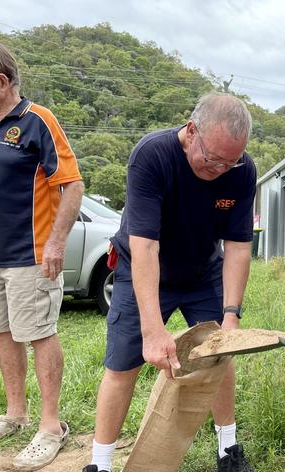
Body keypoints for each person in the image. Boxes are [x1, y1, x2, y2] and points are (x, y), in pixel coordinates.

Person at [83, 93, 256, 472]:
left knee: (219, 355)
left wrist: (231, 314)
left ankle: (228, 450)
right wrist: (153, 330)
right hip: (142, 267)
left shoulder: (241, 170)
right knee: (122, 364)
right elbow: (145, 247)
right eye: (213, 160)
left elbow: (239, 246)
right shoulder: (153, 155)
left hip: (202, 270)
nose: (222, 170)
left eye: (232, 162)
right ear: (192, 132)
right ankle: (100, 464)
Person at [0, 42, 84, 470]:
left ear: (2, 81)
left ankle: (51, 427)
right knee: (2, 334)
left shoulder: (38, 120)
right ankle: (16, 415)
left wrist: (57, 243)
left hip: (30, 255)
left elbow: (72, 184)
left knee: (38, 334)